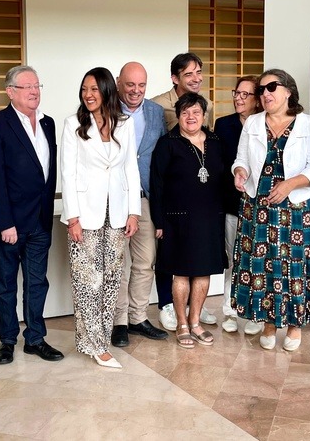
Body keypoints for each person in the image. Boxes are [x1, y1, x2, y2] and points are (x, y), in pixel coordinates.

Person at [231, 69, 310, 352]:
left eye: (272, 87)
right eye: (261, 90)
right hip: (258, 205)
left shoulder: (309, 124)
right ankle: (269, 323)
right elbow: (242, 159)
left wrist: (290, 185)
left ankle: (295, 326)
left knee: (294, 266)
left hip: (297, 208)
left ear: (288, 91)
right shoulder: (252, 123)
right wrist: (239, 172)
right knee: (263, 264)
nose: (266, 94)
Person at [0, 65, 64, 365]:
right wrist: (5, 222)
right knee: (5, 282)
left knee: (37, 281)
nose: (34, 91)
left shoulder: (48, 123)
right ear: (10, 91)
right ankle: (7, 340)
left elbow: (48, 171)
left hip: (40, 219)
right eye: (26, 86)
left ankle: (36, 338)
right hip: (10, 223)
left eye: (37, 86)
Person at [61, 67, 141, 368]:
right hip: (85, 214)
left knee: (110, 279)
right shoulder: (73, 124)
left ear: (107, 90)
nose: (88, 95)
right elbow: (67, 173)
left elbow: (130, 169)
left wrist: (134, 211)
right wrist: (73, 217)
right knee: (87, 280)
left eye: (94, 89)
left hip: (118, 213)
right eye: (84, 89)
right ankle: (92, 343)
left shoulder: (125, 123)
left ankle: (101, 338)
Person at [150, 92, 226, 349]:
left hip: (210, 217)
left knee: (203, 272)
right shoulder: (167, 143)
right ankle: (182, 324)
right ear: (179, 116)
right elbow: (157, 184)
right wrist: (158, 221)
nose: (190, 117)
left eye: (196, 112)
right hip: (177, 219)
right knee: (181, 272)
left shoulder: (216, 141)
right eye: (185, 113)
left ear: (204, 116)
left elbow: (225, 179)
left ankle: (195, 322)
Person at [152, 52, 217, 329]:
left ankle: (195, 309)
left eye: (199, 72)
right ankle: (168, 304)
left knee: (198, 257)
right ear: (175, 77)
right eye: (189, 73)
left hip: (199, 198)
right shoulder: (156, 106)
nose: (196, 78)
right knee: (170, 255)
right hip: (169, 189)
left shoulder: (209, 105)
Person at [111, 62, 168, 347]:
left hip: (146, 199)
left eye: (141, 85)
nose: (136, 91)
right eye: (130, 84)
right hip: (116, 200)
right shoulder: (105, 110)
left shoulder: (156, 113)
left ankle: (137, 317)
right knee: (118, 263)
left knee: (145, 262)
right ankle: (118, 321)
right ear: (119, 82)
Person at [214, 76, 264, 335]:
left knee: (259, 260)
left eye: (245, 94)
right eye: (237, 93)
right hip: (232, 204)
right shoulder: (223, 125)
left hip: (262, 205)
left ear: (257, 99)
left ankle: (256, 312)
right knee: (233, 260)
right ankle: (230, 311)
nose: (238, 98)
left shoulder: (267, 124)